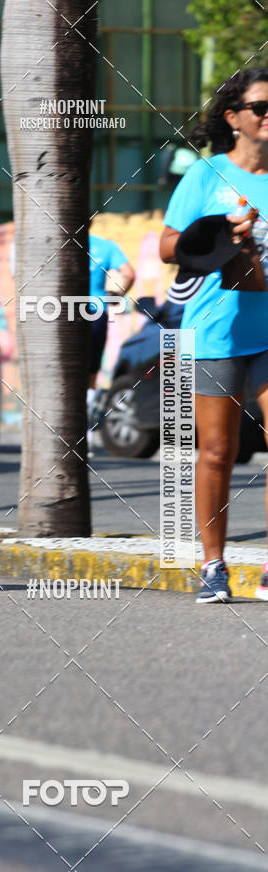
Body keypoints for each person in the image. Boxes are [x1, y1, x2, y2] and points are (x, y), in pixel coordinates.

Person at [160, 67, 268, 603]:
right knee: (218, 451)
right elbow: (166, 245)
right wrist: (222, 231)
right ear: (234, 118)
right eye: (261, 107)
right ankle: (212, 565)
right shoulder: (205, 176)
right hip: (215, 329)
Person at [87, 234, 135, 447]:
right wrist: (115, 296)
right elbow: (129, 274)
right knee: (90, 374)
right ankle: (86, 436)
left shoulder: (60, 240)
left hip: (64, 311)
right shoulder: (105, 246)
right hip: (96, 311)